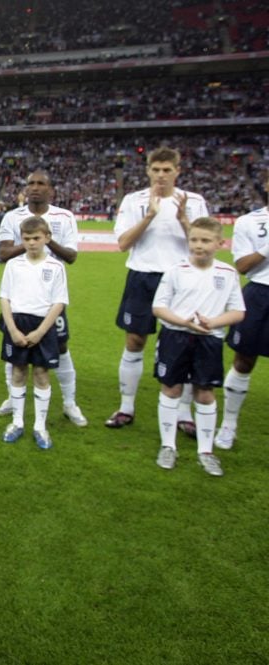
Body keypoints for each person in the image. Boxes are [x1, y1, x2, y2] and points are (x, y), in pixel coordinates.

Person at [106, 147, 209, 431]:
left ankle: (183, 413)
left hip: (182, 280)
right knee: (135, 341)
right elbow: (123, 243)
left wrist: (185, 221)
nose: (161, 175)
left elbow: (204, 244)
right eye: (156, 170)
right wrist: (149, 216)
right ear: (148, 171)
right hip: (143, 276)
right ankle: (126, 407)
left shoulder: (194, 202)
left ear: (178, 171)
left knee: (185, 343)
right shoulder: (134, 200)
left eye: (167, 170)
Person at [151, 217, 244, 476]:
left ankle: (206, 450)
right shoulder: (176, 270)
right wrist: (184, 322)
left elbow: (238, 311)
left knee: (205, 393)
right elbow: (158, 307)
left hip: (209, 339)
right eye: (194, 239)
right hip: (175, 336)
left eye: (205, 240)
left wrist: (213, 322)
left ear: (220, 243)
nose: (198, 245)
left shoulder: (227, 273)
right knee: (171, 389)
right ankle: (168, 445)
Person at [0, 171, 87, 426]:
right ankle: (14, 402)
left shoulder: (64, 216)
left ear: (50, 189)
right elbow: (3, 253)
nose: (35, 188)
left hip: (49, 296)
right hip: (19, 295)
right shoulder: (13, 216)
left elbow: (71, 256)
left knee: (61, 347)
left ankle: (70, 403)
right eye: (31, 184)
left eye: (41, 184)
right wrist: (30, 244)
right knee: (15, 351)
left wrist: (46, 240)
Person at [0, 216, 68, 449]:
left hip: (43, 325)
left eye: (36, 238)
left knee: (41, 374)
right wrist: (13, 329)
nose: (32, 243)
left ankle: (40, 426)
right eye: (27, 238)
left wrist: (39, 332)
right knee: (18, 372)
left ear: (47, 237)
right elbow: (4, 297)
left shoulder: (55, 267)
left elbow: (59, 303)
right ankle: (17, 422)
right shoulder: (13, 264)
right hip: (17, 322)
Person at [214, 173, 269, 450]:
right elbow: (244, 265)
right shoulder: (249, 221)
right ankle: (228, 425)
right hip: (260, 292)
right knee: (244, 361)